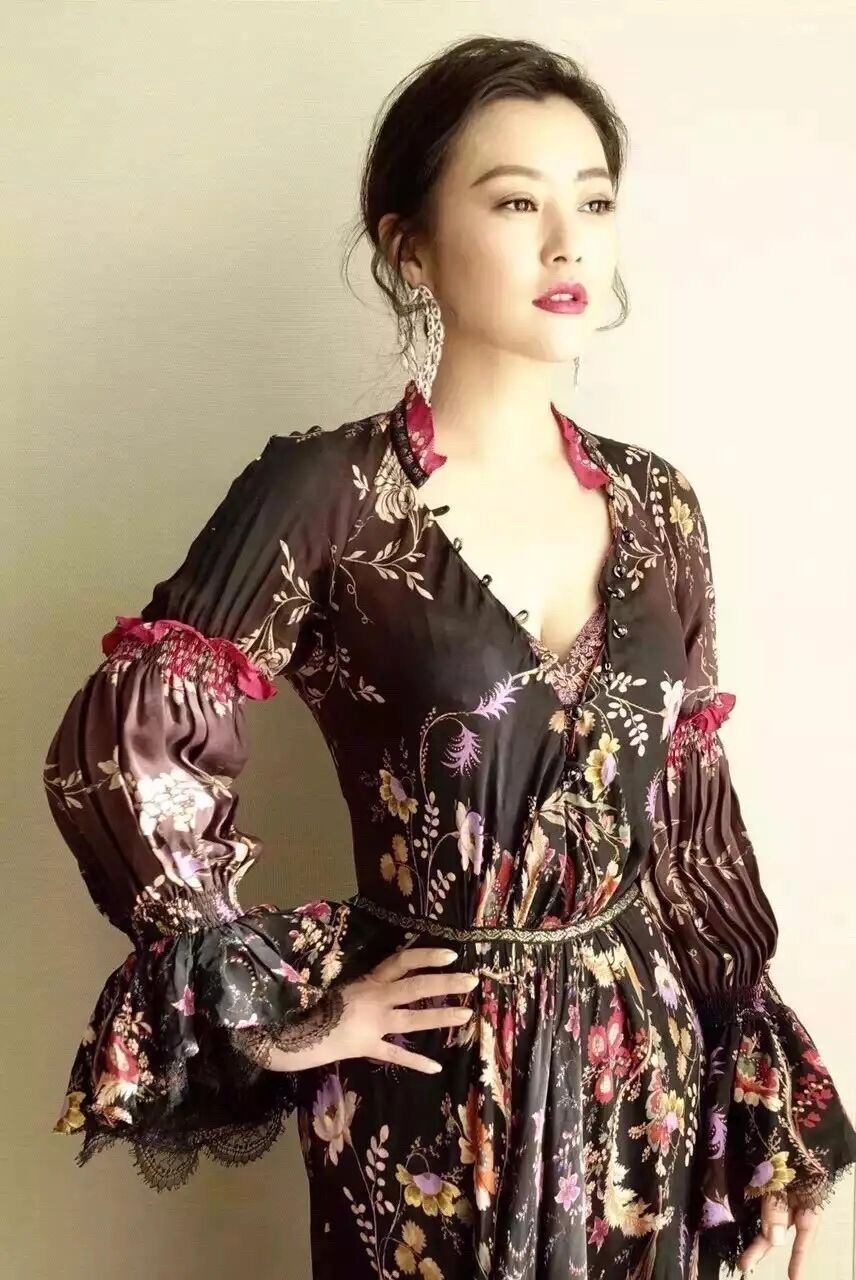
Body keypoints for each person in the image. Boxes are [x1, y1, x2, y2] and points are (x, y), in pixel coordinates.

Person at [44, 34, 854, 1280]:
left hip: (644, 1084)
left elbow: (689, 822)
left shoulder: (660, 508)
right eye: (517, 202)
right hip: (427, 1089)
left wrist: (768, 1125)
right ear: (408, 246)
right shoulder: (329, 493)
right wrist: (288, 1007)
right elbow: (129, 738)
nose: (567, 242)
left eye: (593, 202)